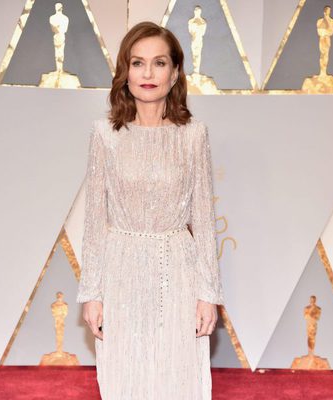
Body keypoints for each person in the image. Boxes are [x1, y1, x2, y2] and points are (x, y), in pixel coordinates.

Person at [76, 21, 224, 399]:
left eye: (159, 63)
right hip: (120, 269)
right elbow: (94, 219)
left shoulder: (193, 134)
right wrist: (92, 292)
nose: (147, 73)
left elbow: (204, 220)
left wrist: (208, 293)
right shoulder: (104, 135)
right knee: (125, 373)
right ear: (125, 72)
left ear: (175, 73)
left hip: (178, 270)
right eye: (137, 62)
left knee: (176, 372)